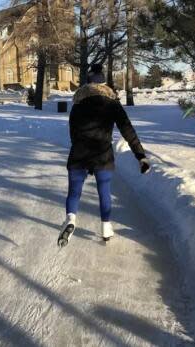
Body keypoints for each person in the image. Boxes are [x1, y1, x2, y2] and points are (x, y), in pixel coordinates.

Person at [58, 64, 150, 247]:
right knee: (104, 190)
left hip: (79, 152)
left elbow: (73, 132)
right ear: (103, 83)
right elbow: (127, 129)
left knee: (74, 191)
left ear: (88, 83)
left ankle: (70, 218)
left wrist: (80, 147)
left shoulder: (78, 103)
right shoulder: (112, 103)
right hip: (103, 153)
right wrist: (140, 155)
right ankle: (106, 227)